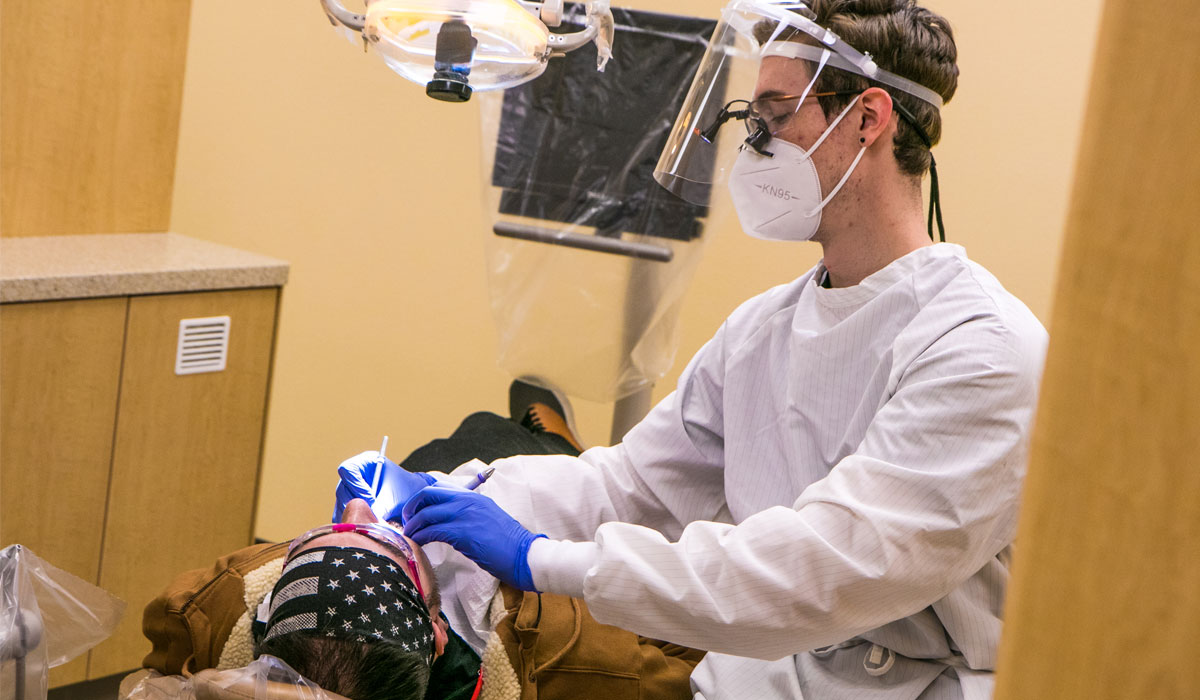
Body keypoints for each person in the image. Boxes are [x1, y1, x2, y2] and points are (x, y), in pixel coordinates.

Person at [335, 2, 1050, 698]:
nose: (754, 144)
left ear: (866, 119)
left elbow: (820, 572)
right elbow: (630, 487)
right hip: (761, 679)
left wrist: (536, 559)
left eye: (773, 117)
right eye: (752, 122)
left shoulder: (983, 350)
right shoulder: (762, 330)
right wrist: (453, 492)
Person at [133, 400, 702, 700]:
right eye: (384, 539)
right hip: (551, 507)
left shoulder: (222, 607)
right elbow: (703, 651)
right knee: (494, 434)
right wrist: (538, 557)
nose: (359, 512)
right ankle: (557, 436)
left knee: (444, 445)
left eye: (330, 533)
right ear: (434, 629)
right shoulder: (578, 660)